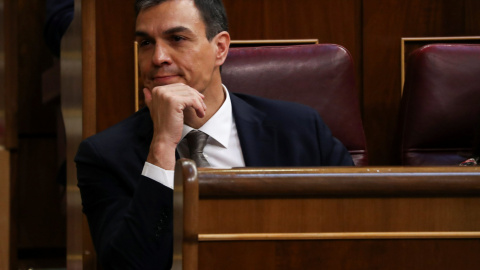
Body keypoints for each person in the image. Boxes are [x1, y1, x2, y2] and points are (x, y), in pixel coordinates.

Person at [75, 0, 354, 269]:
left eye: (177, 39)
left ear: (220, 48)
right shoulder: (104, 156)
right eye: (146, 43)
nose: (158, 58)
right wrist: (161, 147)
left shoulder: (300, 130)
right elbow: (129, 266)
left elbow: (358, 231)